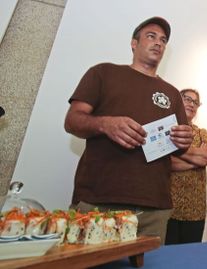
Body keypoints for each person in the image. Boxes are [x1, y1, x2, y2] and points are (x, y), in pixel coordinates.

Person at [64, 17, 193, 244]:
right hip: (99, 203)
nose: (158, 43)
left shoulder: (172, 93)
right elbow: (72, 121)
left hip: (154, 210)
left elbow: (179, 145)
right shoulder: (103, 73)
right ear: (134, 43)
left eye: (163, 40)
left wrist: (184, 140)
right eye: (151, 36)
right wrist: (106, 124)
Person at [165, 89, 207, 244]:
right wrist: (196, 160)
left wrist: (176, 152)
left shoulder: (202, 133)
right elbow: (167, 163)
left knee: (191, 256)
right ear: (177, 101)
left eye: (195, 102)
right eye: (187, 99)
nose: (192, 104)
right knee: (167, 258)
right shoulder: (167, 130)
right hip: (168, 207)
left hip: (196, 208)